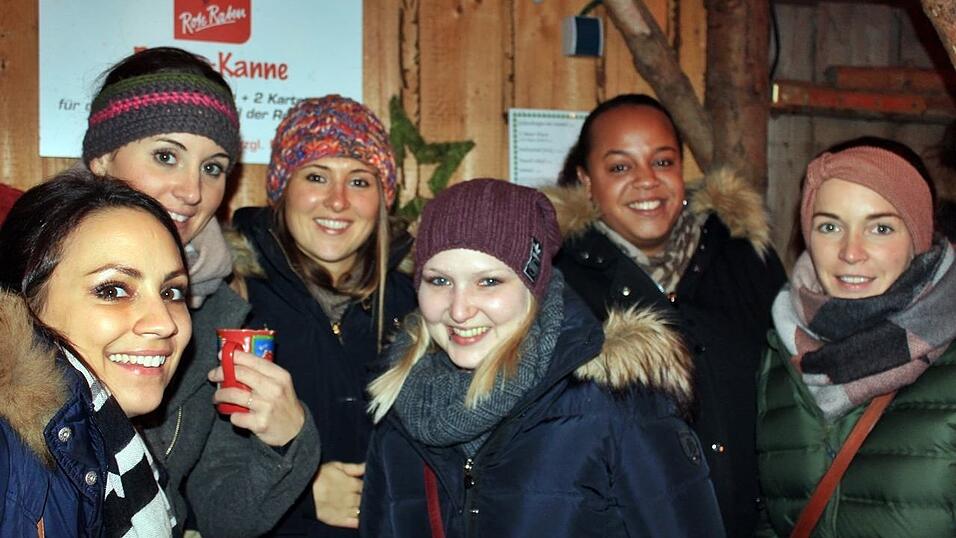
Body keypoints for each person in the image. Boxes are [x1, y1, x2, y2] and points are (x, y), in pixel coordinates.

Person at [360, 178, 724, 537]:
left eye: (489, 282)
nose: (459, 310)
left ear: (534, 287)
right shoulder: (399, 407)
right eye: (439, 281)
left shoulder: (619, 407)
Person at [82, 47, 320, 536]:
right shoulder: (28, 281)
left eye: (213, 168)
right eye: (166, 156)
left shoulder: (215, 311)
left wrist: (286, 439)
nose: (192, 191)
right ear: (103, 159)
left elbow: (225, 515)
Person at [547, 93, 786, 537]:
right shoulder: (560, 283)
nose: (646, 182)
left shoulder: (744, 255)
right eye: (620, 167)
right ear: (585, 180)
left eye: (662, 162)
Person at [229, 95, 417, 536]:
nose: (337, 201)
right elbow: (189, 473)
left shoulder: (420, 304)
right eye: (316, 176)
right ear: (281, 189)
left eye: (359, 181)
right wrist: (299, 491)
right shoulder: (233, 299)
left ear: (382, 198)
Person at [755, 146, 956, 536]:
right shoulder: (780, 352)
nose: (850, 252)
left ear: (917, 236)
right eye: (829, 226)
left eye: (880, 228)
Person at [0, 171, 189, 536]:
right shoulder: (12, 459)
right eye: (113, 290)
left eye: (171, 292)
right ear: (24, 305)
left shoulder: (120, 444)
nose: (164, 323)